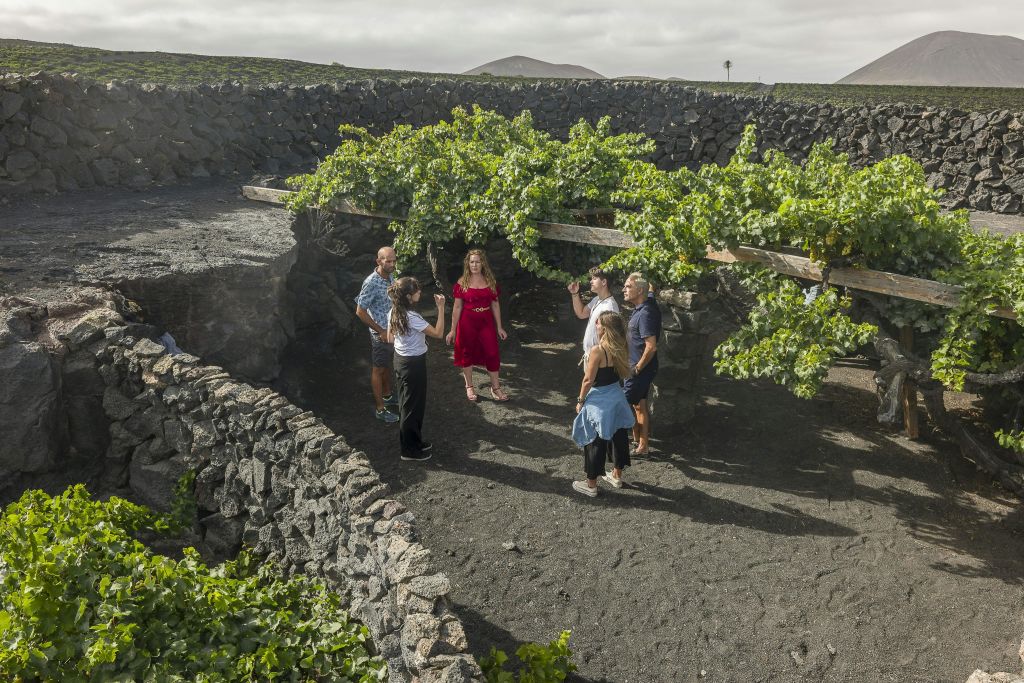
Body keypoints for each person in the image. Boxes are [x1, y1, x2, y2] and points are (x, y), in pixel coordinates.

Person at [571, 311, 636, 497]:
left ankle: (591, 485)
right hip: (617, 396)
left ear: (606, 329)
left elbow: (588, 380)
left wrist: (580, 400)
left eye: (598, 323)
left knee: (594, 440)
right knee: (619, 435)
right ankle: (616, 475)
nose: (596, 325)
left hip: (600, 400)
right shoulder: (621, 346)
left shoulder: (598, 351)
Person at [385, 277, 446, 462]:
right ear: (409, 297)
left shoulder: (393, 311)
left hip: (400, 361)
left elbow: (390, 338)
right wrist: (441, 308)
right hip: (413, 365)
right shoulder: (412, 317)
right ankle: (409, 451)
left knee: (409, 404)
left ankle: (415, 441)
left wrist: (405, 341)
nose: (420, 292)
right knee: (411, 407)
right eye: (417, 290)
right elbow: (438, 333)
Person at [446, 248, 510, 402]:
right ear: (468, 263)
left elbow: (495, 304)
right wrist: (452, 330)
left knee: (492, 353)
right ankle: (469, 386)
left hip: (486, 321)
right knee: (466, 353)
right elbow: (457, 307)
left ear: (483, 264)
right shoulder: (462, 282)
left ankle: (495, 388)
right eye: (472, 262)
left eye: (478, 262)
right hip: (467, 322)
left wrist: (499, 326)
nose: (474, 265)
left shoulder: (490, 281)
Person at [355, 246, 399, 423]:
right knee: (378, 369)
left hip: (391, 331)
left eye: (394, 260)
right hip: (380, 334)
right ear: (379, 261)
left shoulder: (390, 276)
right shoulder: (371, 282)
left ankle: (388, 395)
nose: (392, 264)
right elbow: (360, 311)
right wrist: (380, 331)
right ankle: (380, 409)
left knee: (386, 365)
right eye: (389, 261)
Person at [622, 272, 662, 456]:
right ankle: (641, 444)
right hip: (640, 368)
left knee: (621, 405)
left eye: (628, 286)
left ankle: (617, 446)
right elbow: (651, 291)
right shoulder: (648, 302)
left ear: (639, 290)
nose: (624, 289)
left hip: (640, 369)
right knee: (639, 405)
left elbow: (651, 346)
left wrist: (637, 369)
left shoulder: (645, 313)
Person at [567, 266, 620, 365]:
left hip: (599, 361)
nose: (591, 281)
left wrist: (600, 362)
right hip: (590, 357)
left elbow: (611, 339)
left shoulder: (610, 307)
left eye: (594, 279)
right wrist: (575, 294)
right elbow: (581, 314)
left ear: (604, 282)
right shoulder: (597, 299)